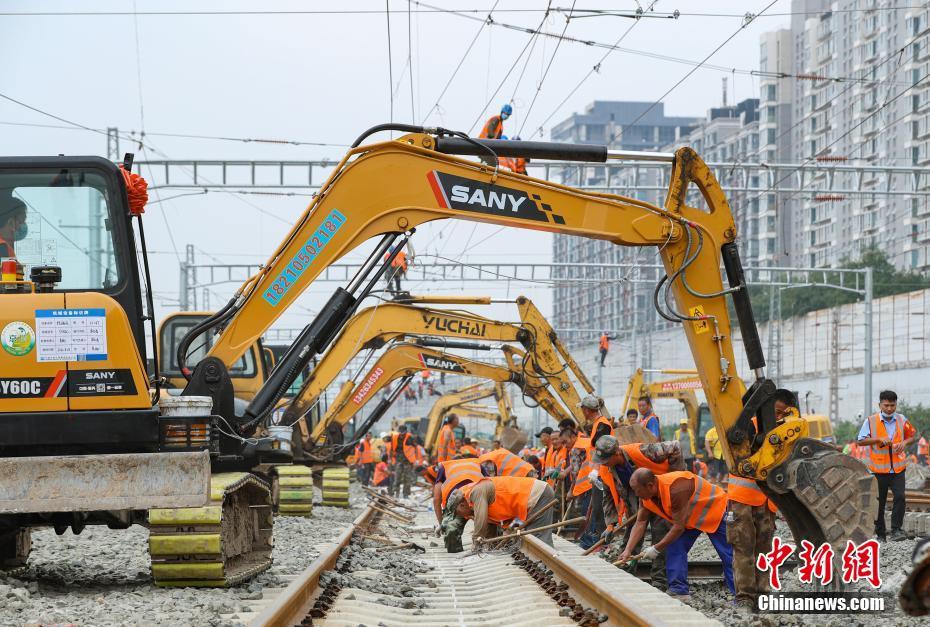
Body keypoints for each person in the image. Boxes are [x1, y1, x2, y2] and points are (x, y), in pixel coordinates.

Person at [617, 468, 734, 601]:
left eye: (638, 491)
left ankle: (741, 595)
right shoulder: (646, 497)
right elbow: (641, 522)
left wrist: (656, 548)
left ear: (650, 486)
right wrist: (628, 550)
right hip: (689, 518)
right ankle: (679, 590)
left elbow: (678, 527)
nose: (637, 495)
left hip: (714, 511)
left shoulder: (676, 487)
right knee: (674, 545)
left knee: (729, 555)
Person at [726, 388, 793, 609]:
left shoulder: (785, 431)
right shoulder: (748, 426)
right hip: (742, 497)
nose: (779, 417)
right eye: (776, 411)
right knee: (743, 546)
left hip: (767, 501)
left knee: (764, 549)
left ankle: (763, 594)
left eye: (783, 413)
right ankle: (745, 597)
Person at [591, 435, 686, 590]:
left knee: (660, 534)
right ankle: (624, 575)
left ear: (617, 453)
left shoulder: (642, 451)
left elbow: (674, 446)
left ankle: (659, 582)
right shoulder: (606, 469)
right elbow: (608, 496)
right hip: (635, 499)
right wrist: (610, 525)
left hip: (658, 492)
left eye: (606, 460)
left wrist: (674, 478)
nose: (604, 464)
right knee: (632, 535)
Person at [857, 390, 918, 541]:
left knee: (900, 497)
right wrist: (878, 439)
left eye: (892, 405)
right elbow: (860, 441)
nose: (890, 408)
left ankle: (897, 530)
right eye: (886, 405)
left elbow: (912, 436)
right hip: (878, 469)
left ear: (896, 404)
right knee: (879, 502)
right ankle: (881, 535)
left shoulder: (901, 419)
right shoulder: (870, 421)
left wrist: (904, 443)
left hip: (898, 468)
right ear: (880, 405)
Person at [447, 475, 557, 547]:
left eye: (458, 514)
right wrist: (493, 543)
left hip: (537, 495)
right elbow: (490, 526)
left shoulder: (477, 492)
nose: (462, 517)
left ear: (461, 505)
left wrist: (476, 542)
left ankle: (549, 567)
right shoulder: (472, 504)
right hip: (523, 507)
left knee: (537, 541)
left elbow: (482, 520)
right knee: (519, 539)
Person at [391, 425, 418, 498]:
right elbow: (392, 449)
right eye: (401, 433)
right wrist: (392, 460)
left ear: (406, 432)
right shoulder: (394, 437)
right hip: (398, 460)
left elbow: (416, 448)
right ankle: (396, 493)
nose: (402, 435)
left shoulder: (410, 438)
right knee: (397, 477)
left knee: (407, 478)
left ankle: (406, 494)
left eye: (403, 433)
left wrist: (415, 460)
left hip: (408, 461)